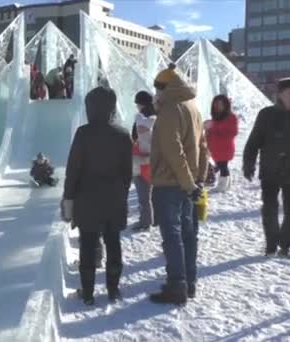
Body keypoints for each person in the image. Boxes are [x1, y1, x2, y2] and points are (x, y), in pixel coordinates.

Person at [61, 86, 133, 305]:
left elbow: (73, 170)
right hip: (114, 199)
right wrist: (120, 192)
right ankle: (113, 290)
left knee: (88, 246)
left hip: (87, 200)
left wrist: (68, 198)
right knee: (113, 244)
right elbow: (127, 173)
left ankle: (88, 292)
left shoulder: (83, 133)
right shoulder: (122, 134)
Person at [149, 64, 209, 304]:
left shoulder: (169, 111)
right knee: (188, 234)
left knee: (172, 236)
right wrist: (198, 180)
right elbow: (203, 147)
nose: (155, 94)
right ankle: (189, 282)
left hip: (169, 183)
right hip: (189, 183)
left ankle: (177, 286)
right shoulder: (193, 107)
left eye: (157, 89)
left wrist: (188, 183)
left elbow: (174, 152)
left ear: (164, 88)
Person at [243, 77, 290, 257]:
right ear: (280, 95)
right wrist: (248, 164)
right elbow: (254, 141)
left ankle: (285, 243)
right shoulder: (266, 114)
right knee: (269, 208)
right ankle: (271, 243)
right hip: (270, 170)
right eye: (289, 93)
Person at [131, 91, 157, 231]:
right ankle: (152, 219)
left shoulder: (142, 122)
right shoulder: (158, 118)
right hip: (154, 162)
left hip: (140, 162)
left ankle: (145, 221)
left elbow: (135, 139)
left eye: (137, 104)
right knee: (151, 194)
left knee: (143, 195)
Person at [205, 95, 239, 193]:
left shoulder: (231, 117)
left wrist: (213, 126)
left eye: (220, 104)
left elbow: (233, 132)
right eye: (216, 104)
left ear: (225, 105)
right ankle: (226, 185)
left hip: (225, 148)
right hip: (216, 148)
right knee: (223, 166)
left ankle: (221, 186)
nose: (218, 106)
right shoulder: (216, 117)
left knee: (222, 166)